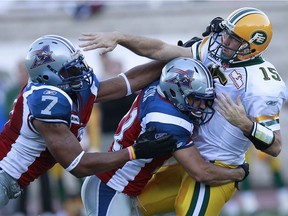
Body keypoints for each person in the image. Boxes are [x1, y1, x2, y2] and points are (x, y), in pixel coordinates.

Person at [78, 7, 287, 215]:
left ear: (252, 47)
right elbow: (161, 50)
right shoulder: (169, 116)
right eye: (226, 34)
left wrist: (246, 125)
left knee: (185, 210)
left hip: (219, 163)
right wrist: (121, 38)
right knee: (136, 205)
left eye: (233, 38)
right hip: (190, 158)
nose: (224, 41)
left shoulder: (263, 86)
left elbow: (275, 146)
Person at [0, 35, 177, 208]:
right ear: (48, 76)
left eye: (78, 64)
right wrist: (135, 151)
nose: (81, 71)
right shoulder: (46, 102)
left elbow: (127, 82)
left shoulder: (70, 89)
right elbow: (78, 165)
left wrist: (171, 62)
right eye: (71, 69)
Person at [81, 57, 248, 216]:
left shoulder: (157, 87)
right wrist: (238, 174)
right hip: (110, 189)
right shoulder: (168, 121)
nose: (202, 106)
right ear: (175, 92)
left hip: (121, 186)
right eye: (195, 99)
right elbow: (201, 172)